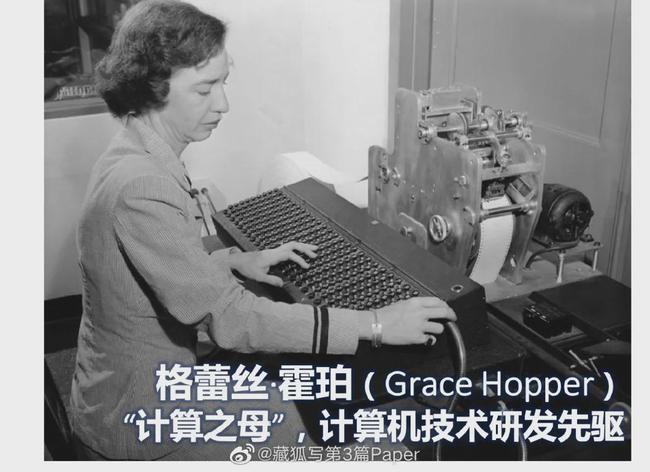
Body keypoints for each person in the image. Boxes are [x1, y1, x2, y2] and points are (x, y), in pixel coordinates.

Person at [70, 0, 456, 460]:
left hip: (116, 383)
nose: (223, 104)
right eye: (205, 89)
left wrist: (230, 262)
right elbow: (230, 320)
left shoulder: (131, 152)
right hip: (138, 411)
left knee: (295, 388)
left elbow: (146, 274)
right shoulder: (144, 184)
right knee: (344, 435)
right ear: (151, 87)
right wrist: (375, 324)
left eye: (223, 83)